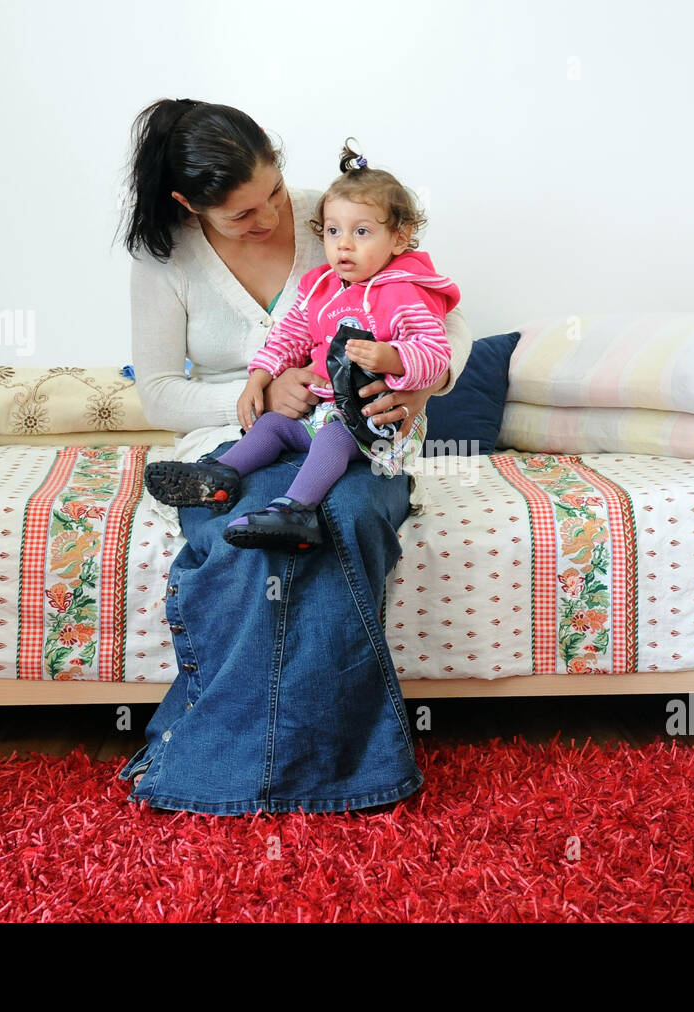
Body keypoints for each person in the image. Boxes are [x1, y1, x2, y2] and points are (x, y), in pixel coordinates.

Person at [114, 99, 472, 814]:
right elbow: (157, 393)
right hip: (242, 433)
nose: (272, 218)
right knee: (245, 534)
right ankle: (285, 766)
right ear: (190, 206)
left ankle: (330, 769)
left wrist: (422, 392)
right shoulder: (165, 260)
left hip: (362, 431)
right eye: (243, 214)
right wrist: (260, 393)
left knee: (342, 516)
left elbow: (444, 320)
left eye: (274, 192)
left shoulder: (340, 216)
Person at [142, 141, 460, 551]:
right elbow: (289, 336)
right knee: (273, 425)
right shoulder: (322, 289)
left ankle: (296, 510)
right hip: (319, 411)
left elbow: (436, 351)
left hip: (373, 423)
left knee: (333, 438)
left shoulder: (404, 294)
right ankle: (217, 474)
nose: (343, 244)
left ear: (400, 238)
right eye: (333, 232)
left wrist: (395, 358)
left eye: (361, 232)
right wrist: (260, 377)